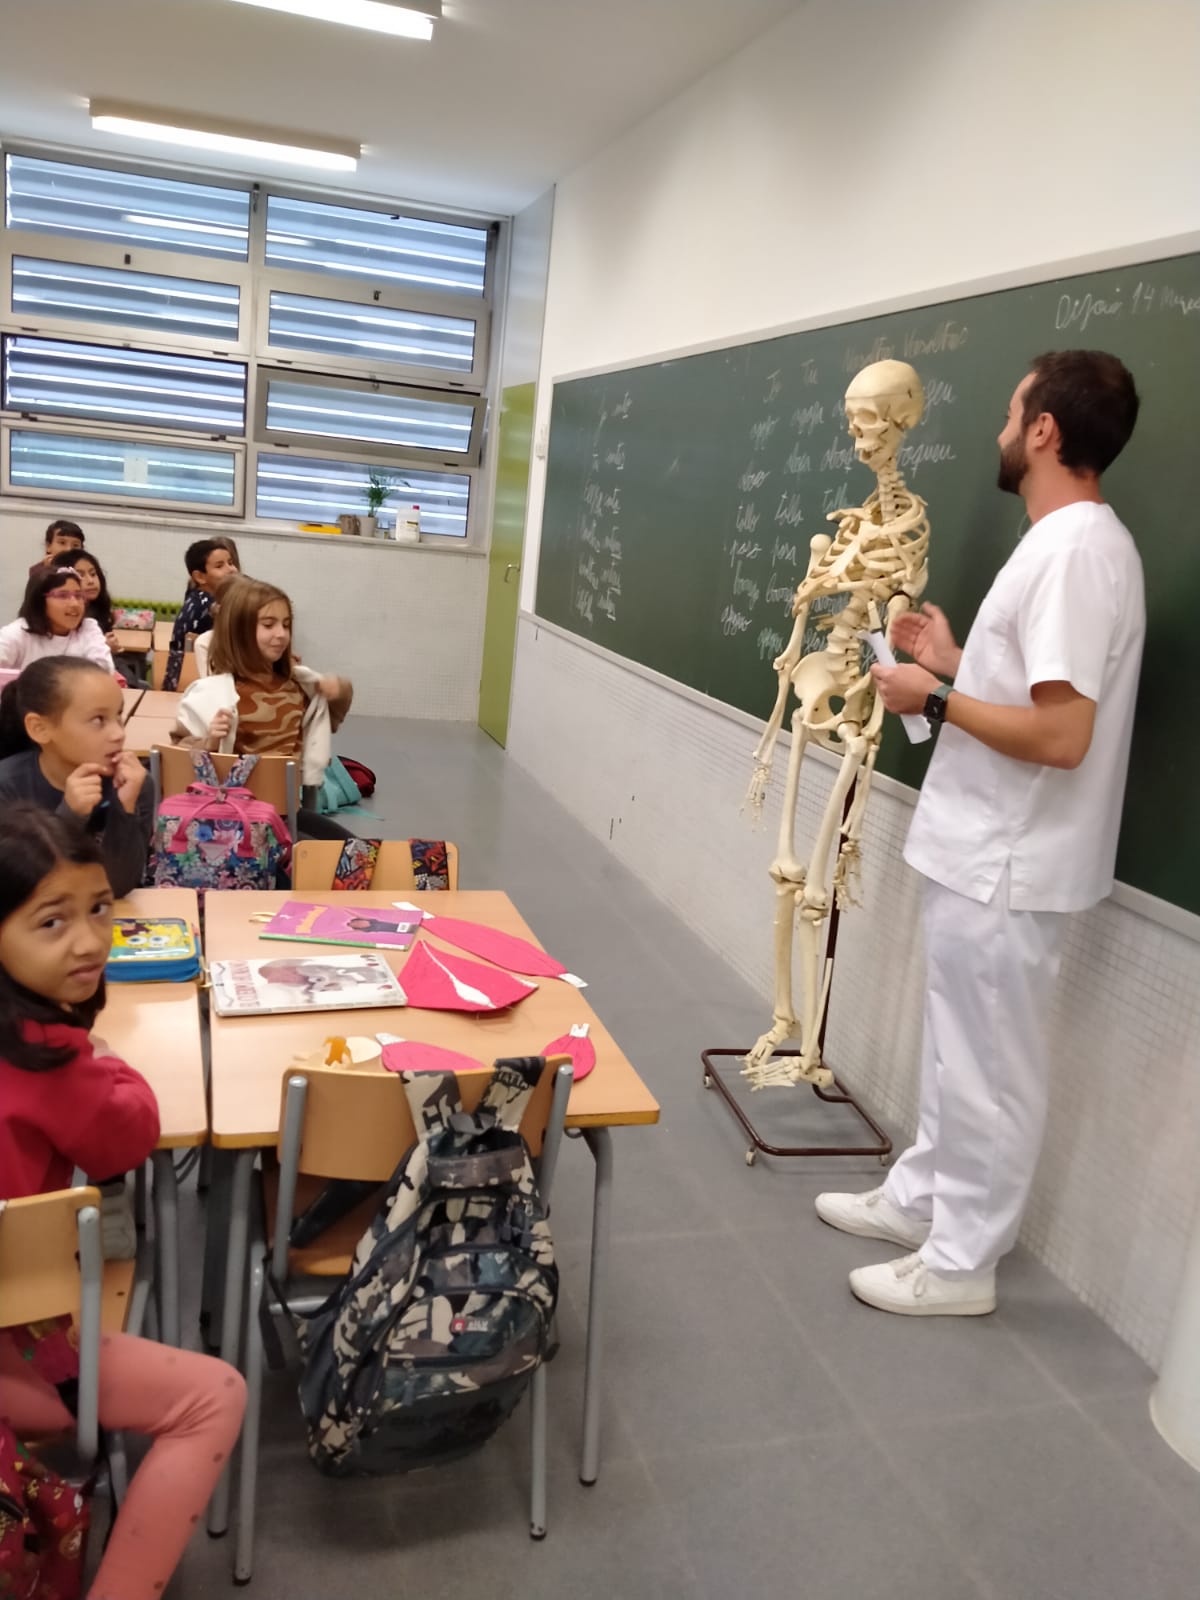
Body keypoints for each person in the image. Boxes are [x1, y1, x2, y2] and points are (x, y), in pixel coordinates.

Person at [817, 349, 1144, 1317]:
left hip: (1012, 860)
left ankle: (962, 1265)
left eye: (1011, 415)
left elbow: (1063, 735)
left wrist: (934, 695)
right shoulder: (1058, 544)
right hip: (982, 850)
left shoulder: (1076, 553)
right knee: (957, 1050)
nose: (1001, 432)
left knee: (992, 1069)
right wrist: (954, 660)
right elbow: (1030, 695)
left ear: (1044, 430)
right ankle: (921, 1200)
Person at [0, 805, 246, 1600]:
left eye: (100, 908)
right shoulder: (49, 1063)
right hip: (16, 1354)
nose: (89, 941)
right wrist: (104, 1061)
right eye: (52, 921)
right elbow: (128, 1137)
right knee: (214, 1396)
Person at [170, 575, 354, 841]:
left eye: (286, 625)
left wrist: (338, 690)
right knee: (329, 855)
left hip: (286, 815)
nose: (281, 634)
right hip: (230, 822)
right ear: (240, 631)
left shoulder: (298, 685)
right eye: (268, 625)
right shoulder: (210, 694)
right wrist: (209, 741)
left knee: (359, 853)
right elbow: (177, 760)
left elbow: (331, 716)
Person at [0, 658, 154, 899]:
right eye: (98, 720)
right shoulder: (7, 786)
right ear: (39, 728)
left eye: (118, 716)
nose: (118, 734)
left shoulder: (133, 783)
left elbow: (117, 886)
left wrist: (124, 808)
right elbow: (22, 891)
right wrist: (70, 816)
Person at [0, 566, 115, 674]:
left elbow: (104, 671)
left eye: (78, 596)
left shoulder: (88, 628)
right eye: (62, 596)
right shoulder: (17, 633)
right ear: (39, 601)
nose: (75, 604)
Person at [161, 537, 240, 692]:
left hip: (182, 681)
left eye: (231, 563)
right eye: (220, 566)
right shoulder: (210, 607)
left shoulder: (199, 597)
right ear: (200, 577)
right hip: (192, 684)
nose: (231, 570)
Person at [62, 548, 148, 688]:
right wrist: (103, 646)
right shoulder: (64, 618)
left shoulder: (96, 612)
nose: (91, 581)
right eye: (81, 575)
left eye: (93, 574)